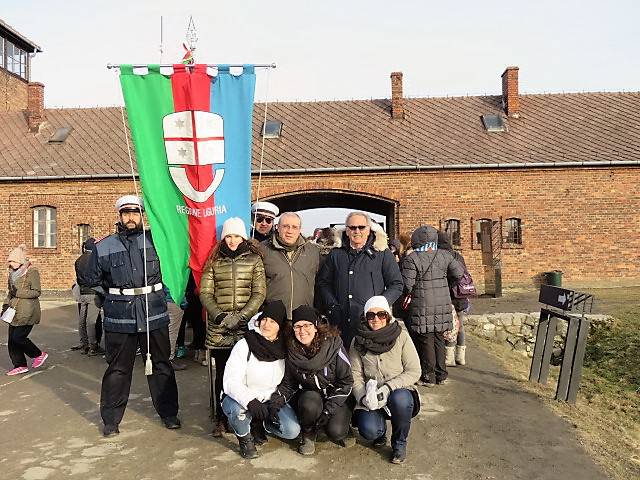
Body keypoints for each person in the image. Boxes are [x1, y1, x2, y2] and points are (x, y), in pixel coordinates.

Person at [77, 195, 180, 436]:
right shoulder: (104, 247)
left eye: (135, 213)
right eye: (126, 213)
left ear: (142, 215)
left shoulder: (157, 242)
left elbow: (174, 266)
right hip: (120, 317)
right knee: (118, 369)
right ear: (119, 216)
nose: (130, 218)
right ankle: (111, 420)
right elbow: (90, 278)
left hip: (153, 314)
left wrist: (165, 294)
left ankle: (169, 413)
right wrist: (111, 296)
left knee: (161, 365)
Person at [199, 217, 266, 437]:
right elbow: (206, 293)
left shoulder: (255, 260)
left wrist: (243, 317)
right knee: (223, 375)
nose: (233, 240)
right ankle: (221, 418)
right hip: (220, 329)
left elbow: (259, 293)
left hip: (246, 327)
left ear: (243, 237)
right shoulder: (214, 261)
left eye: (236, 235)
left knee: (247, 374)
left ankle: (248, 415)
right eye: (228, 236)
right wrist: (220, 317)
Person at [270, 305, 354, 456]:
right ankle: (308, 432)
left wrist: (329, 410)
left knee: (336, 432)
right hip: (311, 394)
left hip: (336, 394)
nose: (302, 331)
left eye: (307, 325)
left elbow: (346, 381)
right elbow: (289, 384)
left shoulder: (333, 345)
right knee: (309, 403)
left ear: (316, 326)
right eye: (297, 326)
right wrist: (275, 402)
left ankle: (344, 426)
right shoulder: (292, 350)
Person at [221, 300, 301, 458]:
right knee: (238, 411)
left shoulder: (285, 347)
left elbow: (288, 382)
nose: (266, 324)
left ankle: (262, 424)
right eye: (264, 319)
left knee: (292, 431)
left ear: (280, 326)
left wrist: (276, 401)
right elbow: (230, 381)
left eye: (272, 321)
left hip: (271, 398)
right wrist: (250, 400)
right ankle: (244, 437)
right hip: (242, 398)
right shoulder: (245, 345)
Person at [349, 296, 421, 464]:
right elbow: (355, 375)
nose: (376, 319)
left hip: (398, 390)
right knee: (369, 431)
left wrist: (389, 387)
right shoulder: (357, 341)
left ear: (388, 316)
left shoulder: (401, 336)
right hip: (371, 393)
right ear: (365, 318)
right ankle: (380, 433)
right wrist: (362, 397)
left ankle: (399, 443)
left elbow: (414, 371)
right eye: (370, 315)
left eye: (381, 315)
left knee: (401, 400)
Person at [317, 212, 403, 348]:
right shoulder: (336, 254)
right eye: (352, 228)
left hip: (371, 323)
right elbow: (323, 282)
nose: (357, 231)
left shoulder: (382, 253)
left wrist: (379, 306)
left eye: (361, 227)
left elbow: (396, 284)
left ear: (369, 229)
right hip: (342, 321)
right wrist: (332, 305)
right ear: (346, 230)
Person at [401, 225, 464, 387]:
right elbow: (458, 274)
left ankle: (428, 376)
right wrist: (445, 284)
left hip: (422, 303)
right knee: (438, 338)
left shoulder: (412, 258)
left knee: (426, 339)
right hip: (442, 302)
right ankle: (441, 374)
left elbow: (407, 284)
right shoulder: (445, 255)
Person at [260, 212, 320, 317]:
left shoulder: (313, 252)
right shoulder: (263, 250)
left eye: (294, 227)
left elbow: (321, 284)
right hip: (273, 318)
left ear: (299, 229)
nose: (290, 231)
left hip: (302, 318)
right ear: (277, 227)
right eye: (285, 226)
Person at [3, 244, 47, 376]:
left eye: (14, 261)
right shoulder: (12, 274)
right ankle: (20, 365)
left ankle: (39, 354)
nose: (11, 264)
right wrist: (5, 306)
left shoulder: (32, 271)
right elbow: (10, 293)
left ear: (21, 260)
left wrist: (19, 292)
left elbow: (36, 292)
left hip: (28, 311)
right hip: (14, 311)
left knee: (18, 337)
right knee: (11, 340)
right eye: (10, 261)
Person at [438, 231, 470, 367]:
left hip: (449, 296)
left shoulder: (442, 257)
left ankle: (449, 358)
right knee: (460, 326)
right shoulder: (458, 256)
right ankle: (461, 357)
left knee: (450, 326)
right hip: (461, 296)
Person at [73, 237, 104, 356]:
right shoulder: (94, 259)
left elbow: (79, 279)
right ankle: (93, 346)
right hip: (93, 293)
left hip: (83, 292)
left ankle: (84, 343)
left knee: (82, 319)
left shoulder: (79, 260)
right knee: (91, 320)